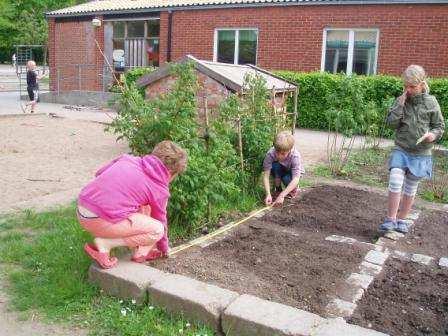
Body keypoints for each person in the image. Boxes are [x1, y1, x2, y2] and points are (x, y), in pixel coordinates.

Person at [77, 141, 188, 269]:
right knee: (157, 230)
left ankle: (141, 251)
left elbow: (99, 173)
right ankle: (105, 244)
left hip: (82, 207)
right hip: (99, 220)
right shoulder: (159, 189)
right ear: (172, 173)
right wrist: (164, 248)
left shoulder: (127, 159)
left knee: (144, 206)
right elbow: (161, 221)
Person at [380, 65, 445, 234]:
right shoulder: (401, 100)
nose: (408, 90)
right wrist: (399, 106)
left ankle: (402, 219)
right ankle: (391, 219)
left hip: (421, 152)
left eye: (412, 87)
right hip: (401, 148)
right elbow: (391, 124)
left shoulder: (431, 102)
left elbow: (439, 126)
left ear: (422, 84)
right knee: (395, 179)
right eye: (406, 86)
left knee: (411, 186)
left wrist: (433, 135)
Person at [262, 130, 304, 207]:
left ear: (290, 150)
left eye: (283, 154)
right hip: (280, 169)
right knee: (275, 166)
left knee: (286, 179)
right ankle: (278, 190)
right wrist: (268, 194)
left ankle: (293, 190)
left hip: (291, 173)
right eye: (277, 152)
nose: (279, 156)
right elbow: (266, 176)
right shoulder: (270, 154)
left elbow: (296, 178)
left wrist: (282, 195)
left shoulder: (295, 156)